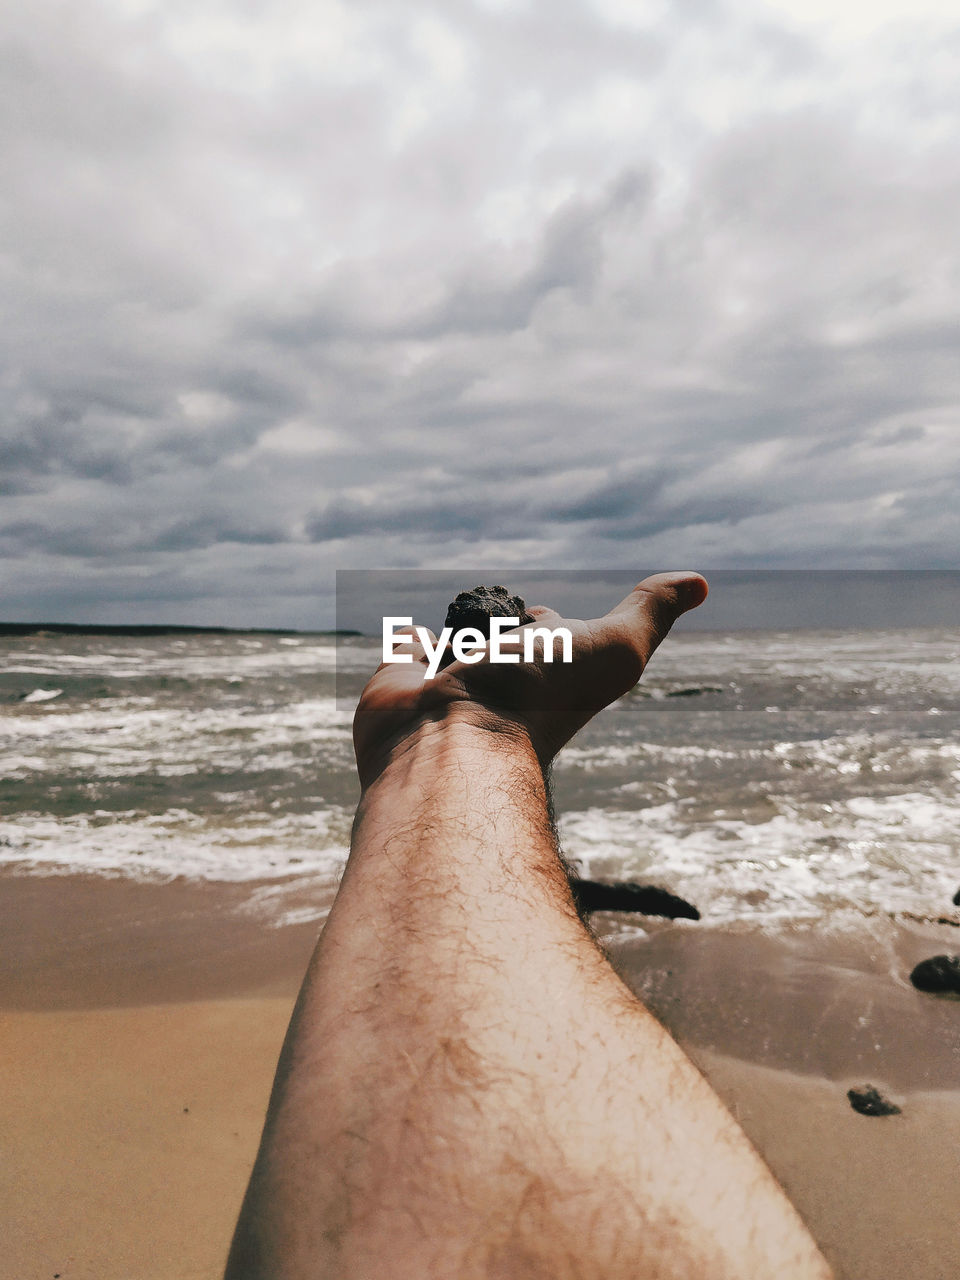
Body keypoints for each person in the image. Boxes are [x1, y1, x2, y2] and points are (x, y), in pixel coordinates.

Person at [225, 573, 832, 1280]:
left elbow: (405, 645)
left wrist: (432, 734)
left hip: (423, 734)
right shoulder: (512, 657)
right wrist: (486, 722)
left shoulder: (407, 657)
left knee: (403, 644)